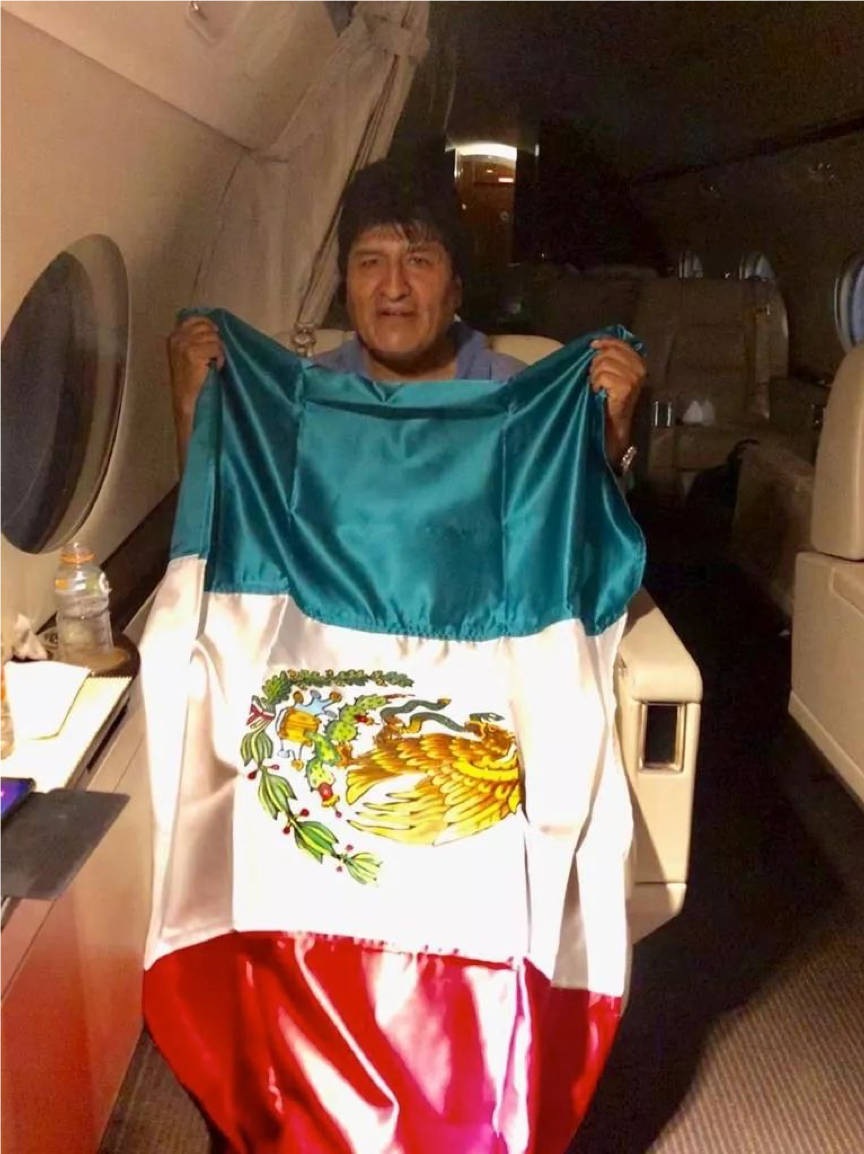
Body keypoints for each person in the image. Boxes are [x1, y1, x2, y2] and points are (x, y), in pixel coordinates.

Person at [168, 158, 646, 469]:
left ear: (455, 289)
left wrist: (611, 435)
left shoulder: (521, 396)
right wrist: (191, 406)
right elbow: (229, 526)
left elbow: (572, 537)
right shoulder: (300, 395)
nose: (394, 287)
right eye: (370, 263)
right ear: (346, 288)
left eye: (418, 261)